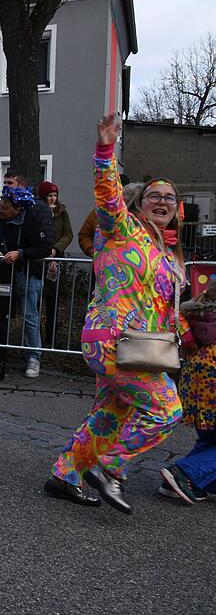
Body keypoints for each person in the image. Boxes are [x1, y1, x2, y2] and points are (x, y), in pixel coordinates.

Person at [45, 114, 188, 514]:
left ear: (177, 210)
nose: (162, 202)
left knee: (109, 415)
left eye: (170, 199)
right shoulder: (123, 229)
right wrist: (105, 150)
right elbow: (108, 196)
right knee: (165, 409)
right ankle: (111, 470)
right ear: (139, 204)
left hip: (140, 345)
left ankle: (64, 475)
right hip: (112, 339)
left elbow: (163, 306)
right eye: (153, 196)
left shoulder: (167, 254)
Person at [0, 186, 55, 382]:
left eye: (4, 208)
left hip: (16, 274)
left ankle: (1, 365)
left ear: (17, 209)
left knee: (4, 318)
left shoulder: (30, 222)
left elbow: (44, 248)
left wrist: (21, 253)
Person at [158, 288, 216, 503]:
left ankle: (193, 482)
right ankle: (185, 473)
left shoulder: (203, 316)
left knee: (210, 439)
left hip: (197, 381)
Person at [37, 181, 75, 348]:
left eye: (55, 195)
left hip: (55, 261)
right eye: (50, 196)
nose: (53, 199)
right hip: (39, 260)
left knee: (52, 301)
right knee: (37, 301)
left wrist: (56, 248)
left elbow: (68, 234)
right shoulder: (38, 211)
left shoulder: (62, 212)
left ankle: (51, 338)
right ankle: (35, 338)